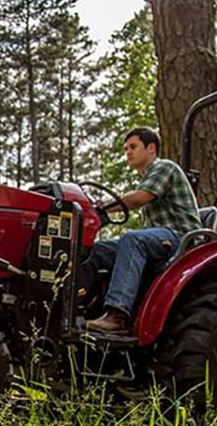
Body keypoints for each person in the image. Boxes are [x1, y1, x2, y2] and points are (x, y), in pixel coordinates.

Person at [85, 126, 202, 333]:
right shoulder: (147, 177)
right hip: (160, 238)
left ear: (151, 149)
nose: (128, 152)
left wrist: (100, 207)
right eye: (125, 149)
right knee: (95, 251)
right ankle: (83, 309)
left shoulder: (165, 168)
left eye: (133, 146)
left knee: (133, 239)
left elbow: (139, 198)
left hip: (180, 237)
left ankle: (117, 314)